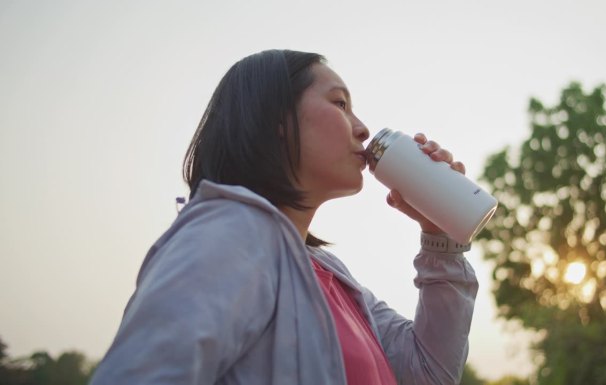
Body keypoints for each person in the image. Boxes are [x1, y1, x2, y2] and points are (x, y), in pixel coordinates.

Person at [89, 49, 478, 385]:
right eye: (340, 104)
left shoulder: (331, 278)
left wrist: (440, 240)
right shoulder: (230, 234)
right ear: (276, 120)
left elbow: (428, 374)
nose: (362, 130)